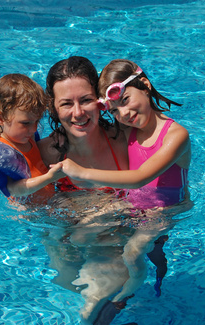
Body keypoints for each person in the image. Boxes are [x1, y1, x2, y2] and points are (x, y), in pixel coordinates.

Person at [60, 59, 191, 307]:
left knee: (133, 250)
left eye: (126, 100)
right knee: (79, 233)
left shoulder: (176, 136)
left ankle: (130, 289)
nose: (124, 114)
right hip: (131, 203)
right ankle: (86, 282)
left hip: (164, 210)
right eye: (115, 111)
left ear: (145, 85)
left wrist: (84, 172)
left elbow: (141, 177)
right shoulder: (128, 131)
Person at [38, 56, 145, 325]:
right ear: (53, 107)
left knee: (101, 294)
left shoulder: (126, 139)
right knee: (70, 288)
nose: (78, 113)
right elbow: (30, 207)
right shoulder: (45, 153)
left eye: (85, 100)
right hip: (68, 235)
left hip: (120, 234)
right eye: (66, 103)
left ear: (100, 100)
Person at [0, 73, 64, 200]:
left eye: (37, 121)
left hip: (50, 200)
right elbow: (14, 190)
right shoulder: (3, 152)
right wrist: (50, 177)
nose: (34, 128)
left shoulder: (26, 136)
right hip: (30, 213)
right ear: (0, 118)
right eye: (26, 123)